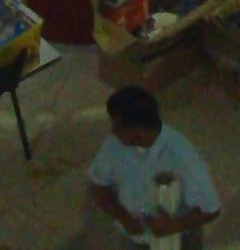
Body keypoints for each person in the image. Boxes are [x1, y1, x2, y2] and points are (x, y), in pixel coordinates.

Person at [87, 86, 221, 247]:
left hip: (179, 239)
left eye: (117, 125)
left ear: (137, 132)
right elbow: (97, 185)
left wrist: (174, 225)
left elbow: (211, 208)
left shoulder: (182, 155)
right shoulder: (114, 145)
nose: (113, 130)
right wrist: (123, 217)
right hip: (135, 239)